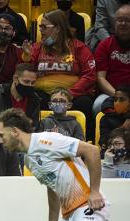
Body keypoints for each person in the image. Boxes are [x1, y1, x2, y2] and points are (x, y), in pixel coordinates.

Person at [22, 9, 96, 140]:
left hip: (72, 94)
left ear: (58, 28)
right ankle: (33, 140)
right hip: (44, 94)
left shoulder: (79, 47)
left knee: (85, 103)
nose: (40, 30)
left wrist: (69, 94)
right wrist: (27, 57)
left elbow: (89, 75)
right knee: (32, 99)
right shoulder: (37, 48)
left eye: (44, 27)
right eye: (40, 27)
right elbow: (25, 72)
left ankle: (84, 140)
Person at [0, 63, 41, 131]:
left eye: (33, 83)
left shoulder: (34, 99)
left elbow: (34, 128)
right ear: (15, 78)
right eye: (26, 81)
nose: (29, 85)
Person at [93, 4, 130, 115]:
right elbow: (101, 78)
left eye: (127, 20)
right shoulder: (104, 45)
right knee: (98, 105)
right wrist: (119, 97)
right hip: (111, 93)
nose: (123, 23)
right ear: (114, 23)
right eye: (119, 20)